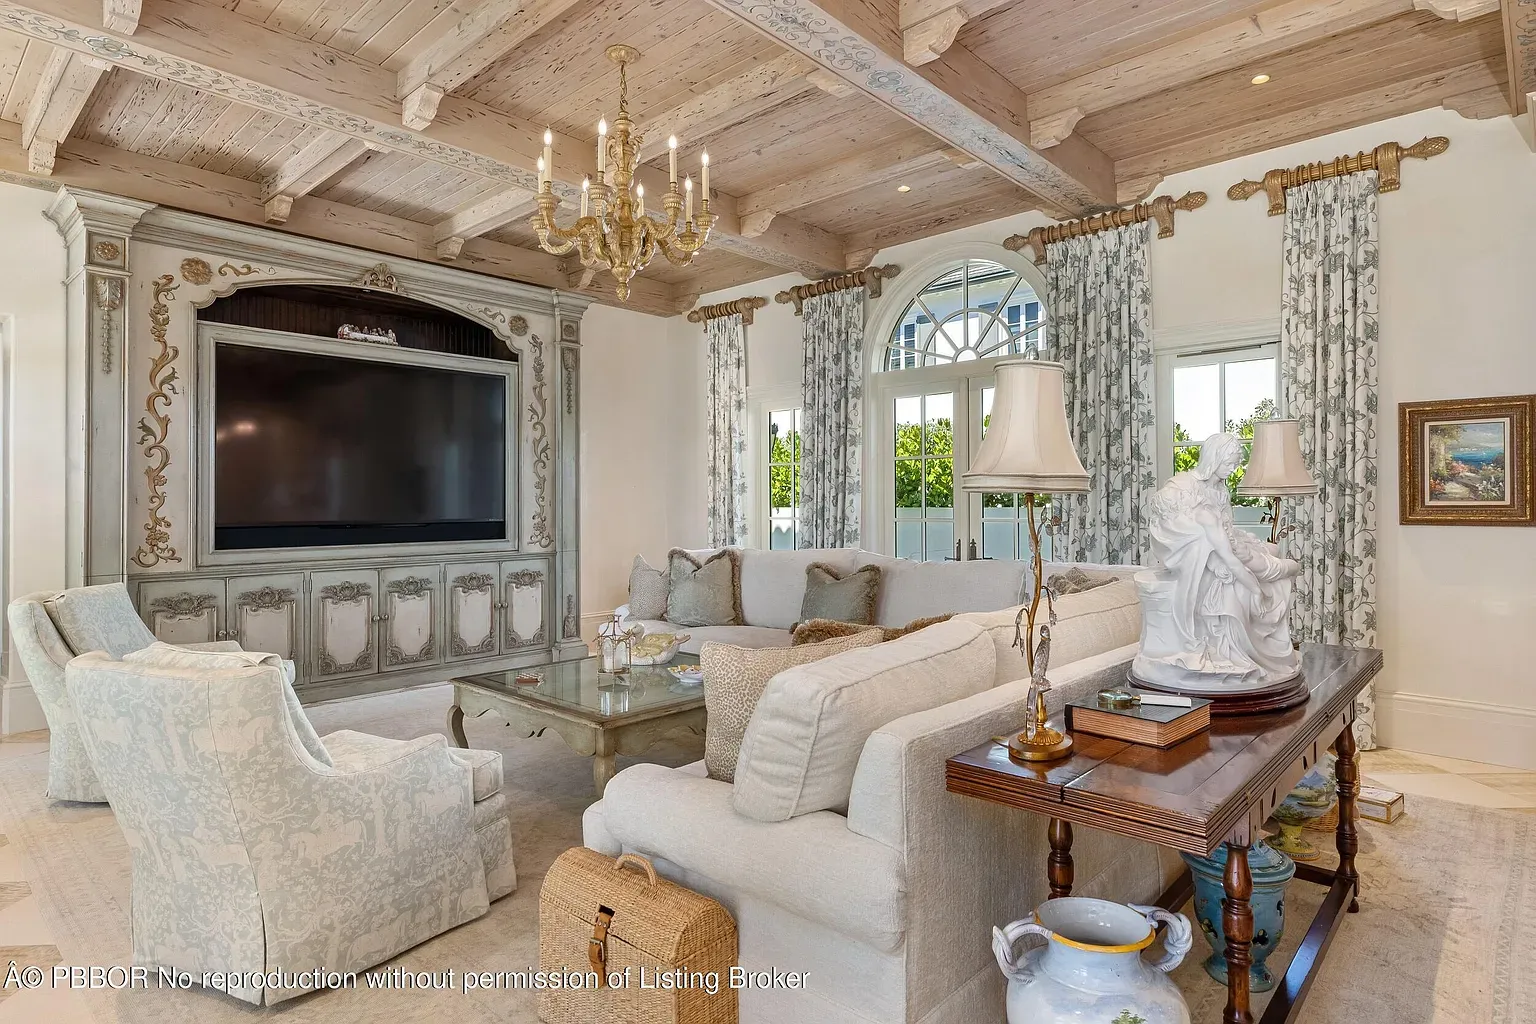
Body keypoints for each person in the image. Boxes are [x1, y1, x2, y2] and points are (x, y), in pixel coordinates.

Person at [1133, 433, 1301, 689]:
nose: (1233, 468)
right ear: (1214, 458)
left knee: (1268, 550)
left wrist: (1237, 543)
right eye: (1229, 462)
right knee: (1255, 573)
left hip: (1224, 546)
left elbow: (1227, 531)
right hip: (1201, 558)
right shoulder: (1183, 491)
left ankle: (1275, 573)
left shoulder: (1220, 490)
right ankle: (1242, 644)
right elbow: (1166, 527)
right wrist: (1217, 559)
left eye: (1235, 462)